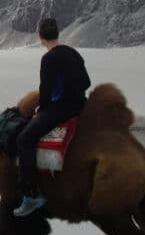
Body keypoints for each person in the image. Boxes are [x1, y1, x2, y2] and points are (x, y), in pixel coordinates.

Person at [14, 18, 91, 217]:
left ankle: (31, 194)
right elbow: (86, 82)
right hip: (80, 105)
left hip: (61, 108)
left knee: (24, 140)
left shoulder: (49, 58)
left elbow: (46, 90)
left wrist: (42, 108)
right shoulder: (73, 53)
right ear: (58, 33)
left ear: (40, 37)